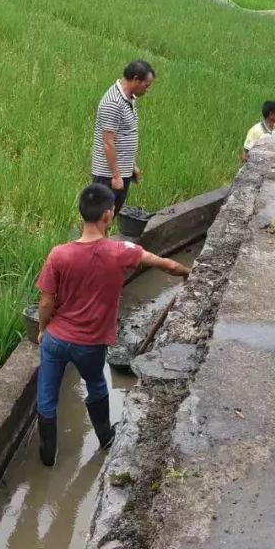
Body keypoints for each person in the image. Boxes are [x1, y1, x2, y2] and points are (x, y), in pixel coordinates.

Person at [32, 183, 190, 467]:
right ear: (109, 215)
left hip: (56, 339)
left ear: (82, 214)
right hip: (90, 343)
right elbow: (164, 264)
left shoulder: (59, 254)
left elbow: (45, 302)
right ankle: (105, 437)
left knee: (47, 395)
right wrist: (188, 272)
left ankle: (47, 457)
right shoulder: (121, 251)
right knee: (95, 384)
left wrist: (43, 329)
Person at [92, 60, 156, 217]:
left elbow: (125, 134)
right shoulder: (113, 102)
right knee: (100, 216)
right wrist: (116, 175)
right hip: (108, 175)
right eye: (146, 85)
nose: (147, 90)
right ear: (135, 79)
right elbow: (108, 143)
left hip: (122, 171)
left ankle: (103, 242)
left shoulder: (129, 99)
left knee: (111, 215)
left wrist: (131, 165)